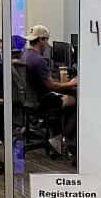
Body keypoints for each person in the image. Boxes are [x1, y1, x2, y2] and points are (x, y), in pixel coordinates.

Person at [23, 24, 77, 153]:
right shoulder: (38, 60)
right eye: (46, 40)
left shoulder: (25, 55)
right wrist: (71, 83)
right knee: (75, 100)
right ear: (41, 40)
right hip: (41, 102)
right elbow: (52, 85)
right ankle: (69, 143)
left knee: (65, 98)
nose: (47, 44)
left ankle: (57, 135)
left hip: (28, 101)